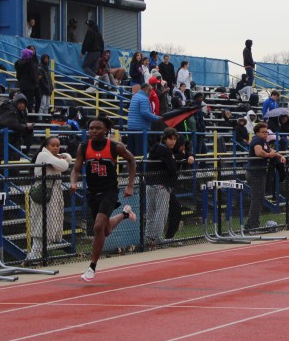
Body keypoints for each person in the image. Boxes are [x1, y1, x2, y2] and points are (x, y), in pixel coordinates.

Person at [70, 117, 138, 281]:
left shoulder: (115, 147)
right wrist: (73, 182)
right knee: (105, 230)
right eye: (91, 128)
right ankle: (125, 214)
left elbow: (132, 160)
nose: (93, 131)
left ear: (106, 130)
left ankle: (92, 267)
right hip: (93, 192)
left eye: (97, 128)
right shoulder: (83, 147)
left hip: (109, 191)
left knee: (98, 226)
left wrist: (130, 185)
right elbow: (76, 168)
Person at [144, 127, 193, 247]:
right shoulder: (165, 151)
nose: (173, 142)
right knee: (161, 213)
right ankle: (157, 238)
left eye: (174, 139)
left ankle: (148, 237)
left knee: (151, 213)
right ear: (165, 139)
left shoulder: (155, 147)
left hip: (149, 184)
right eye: (170, 139)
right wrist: (175, 160)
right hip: (162, 185)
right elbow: (172, 169)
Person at [29, 137, 73, 261]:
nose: (56, 148)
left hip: (53, 193)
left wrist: (63, 156)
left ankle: (38, 256)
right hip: (43, 193)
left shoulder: (53, 157)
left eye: (58, 146)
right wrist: (63, 158)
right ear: (46, 146)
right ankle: (33, 257)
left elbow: (68, 158)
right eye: (53, 145)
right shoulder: (44, 155)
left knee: (50, 224)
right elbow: (64, 166)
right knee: (41, 225)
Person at [244, 123, 286, 231]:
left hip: (260, 173)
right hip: (255, 173)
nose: (265, 134)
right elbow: (259, 152)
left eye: (266, 132)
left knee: (259, 199)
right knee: (257, 199)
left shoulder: (264, 141)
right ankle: (251, 225)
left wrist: (280, 156)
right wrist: (269, 155)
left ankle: (253, 223)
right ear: (257, 133)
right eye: (263, 132)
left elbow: (271, 151)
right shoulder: (257, 140)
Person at [15, 47, 40, 111]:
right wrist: (35, 81)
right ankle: (29, 114)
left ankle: (22, 113)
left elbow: (18, 75)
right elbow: (33, 74)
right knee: (29, 101)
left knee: (23, 99)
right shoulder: (30, 63)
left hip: (22, 84)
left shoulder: (18, 63)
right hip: (30, 85)